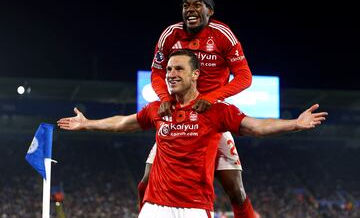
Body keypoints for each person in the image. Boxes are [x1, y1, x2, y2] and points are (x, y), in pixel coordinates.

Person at [58, 50, 327, 218]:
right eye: (169, 69)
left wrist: (295, 123)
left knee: (237, 191)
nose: (171, 74)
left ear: (196, 74)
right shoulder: (158, 109)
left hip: (194, 208)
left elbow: (256, 127)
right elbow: (121, 123)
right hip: (155, 207)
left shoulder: (216, 111)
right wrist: (87, 123)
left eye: (179, 69)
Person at [142, 0, 254, 217]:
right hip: (177, 119)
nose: (190, 10)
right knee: (145, 182)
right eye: (186, 5)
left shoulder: (222, 35)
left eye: (197, 5)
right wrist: (164, 98)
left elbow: (244, 76)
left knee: (235, 190)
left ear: (209, 11)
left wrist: (212, 98)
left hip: (211, 119)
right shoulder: (170, 34)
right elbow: (156, 72)